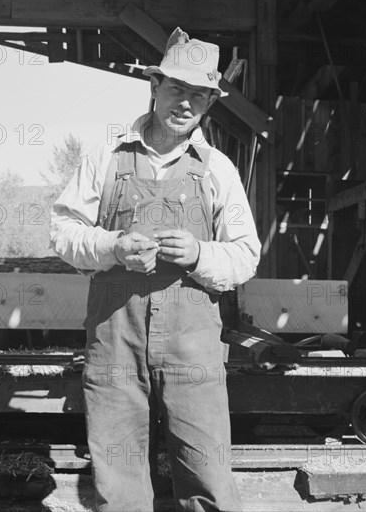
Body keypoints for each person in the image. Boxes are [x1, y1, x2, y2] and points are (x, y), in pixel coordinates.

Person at [50, 27, 261, 512]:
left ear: (210, 104)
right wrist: (113, 246)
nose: (184, 104)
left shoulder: (218, 170)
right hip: (115, 336)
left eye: (198, 96)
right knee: (119, 482)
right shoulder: (105, 157)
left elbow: (246, 254)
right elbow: (62, 232)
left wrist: (199, 255)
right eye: (176, 90)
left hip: (194, 345)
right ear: (154, 86)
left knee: (207, 474)